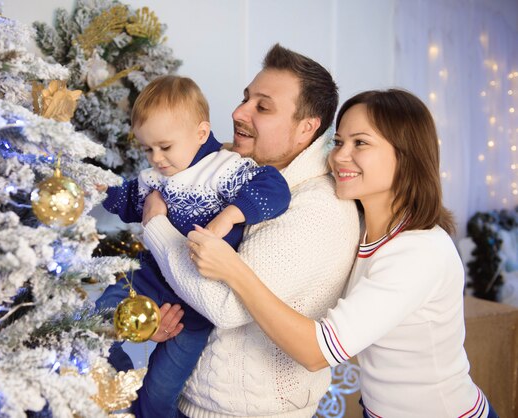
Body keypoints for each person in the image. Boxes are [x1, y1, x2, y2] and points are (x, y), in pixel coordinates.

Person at [185, 89, 499, 417]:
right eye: (337, 142)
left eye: (360, 143)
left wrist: (234, 270)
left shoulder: (418, 253)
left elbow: (317, 351)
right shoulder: (364, 228)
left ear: (406, 156)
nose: (339, 157)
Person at [140, 44, 360, 417]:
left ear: (307, 128)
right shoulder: (233, 169)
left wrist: (156, 226)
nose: (238, 112)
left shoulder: (317, 208)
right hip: (188, 402)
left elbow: (225, 307)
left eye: (263, 106)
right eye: (245, 99)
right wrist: (161, 308)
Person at [97, 74, 292, 417]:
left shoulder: (225, 168)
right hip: (146, 280)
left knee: (158, 396)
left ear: (201, 133)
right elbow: (124, 199)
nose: (156, 158)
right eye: (148, 149)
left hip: (196, 301)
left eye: (165, 147)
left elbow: (274, 189)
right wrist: (96, 187)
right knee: (92, 323)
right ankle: (120, 387)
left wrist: (230, 215)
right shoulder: (154, 177)